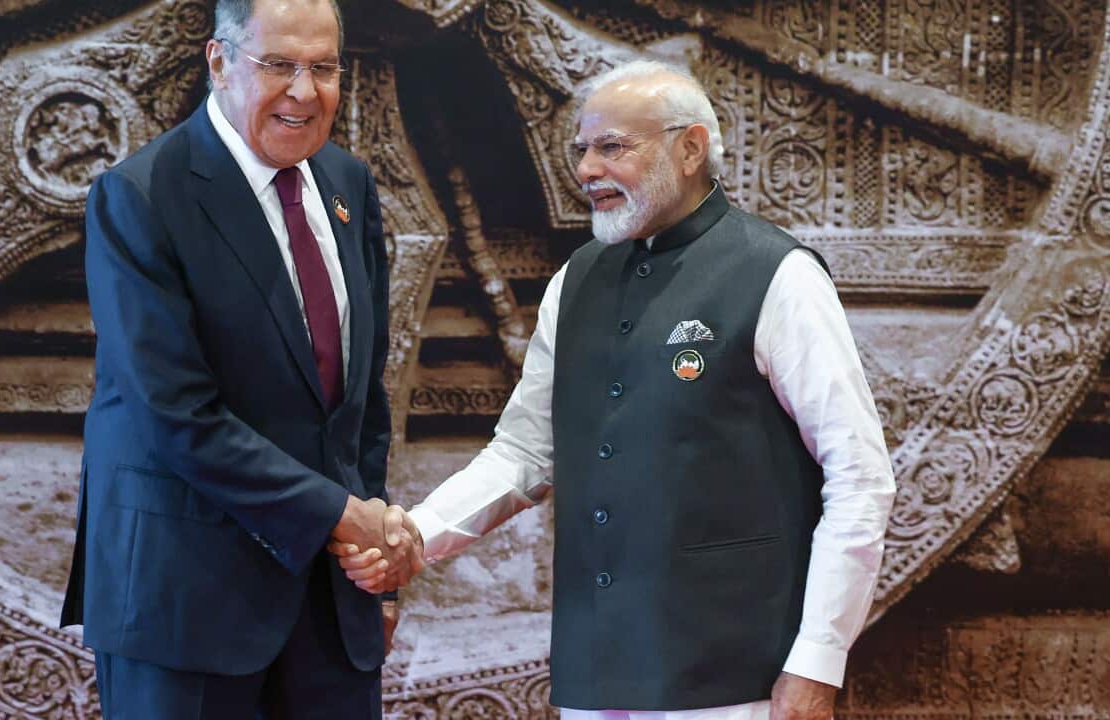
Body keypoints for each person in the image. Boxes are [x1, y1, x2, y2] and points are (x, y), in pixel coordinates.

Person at [333, 60, 896, 720]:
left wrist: (817, 662)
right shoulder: (577, 280)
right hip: (594, 677)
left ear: (689, 149)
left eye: (611, 147)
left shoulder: (779, 276)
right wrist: (418, 537)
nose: (586, 171)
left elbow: (859, 478)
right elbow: (523, 455)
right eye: (581, 150)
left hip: (736, 683)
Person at [59, 1, 422, 717]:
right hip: (185, 606)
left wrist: (376, 571)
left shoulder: (349, 185)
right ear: (219, 62)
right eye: (279, 65)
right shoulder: (140, 196)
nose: (304, 91)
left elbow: (360, 404)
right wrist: (346, 519)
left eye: (323, 68)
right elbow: (175, 413)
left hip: (331, 608)